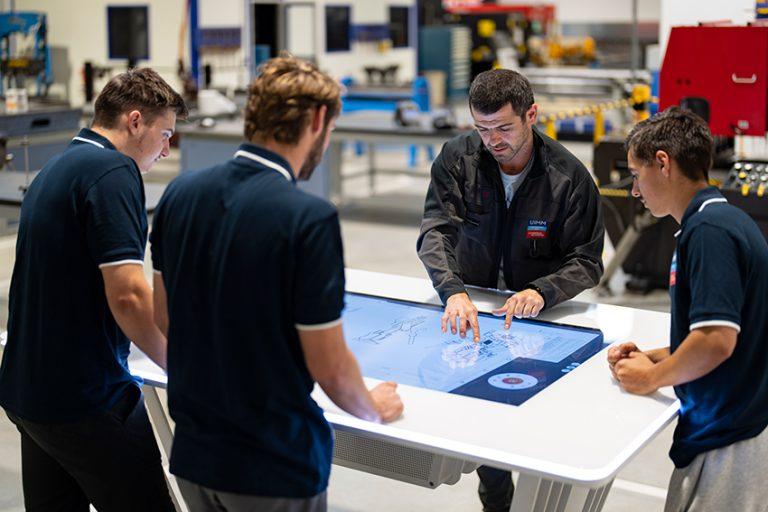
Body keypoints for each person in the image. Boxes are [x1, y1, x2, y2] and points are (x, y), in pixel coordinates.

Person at [150, 56, 404, 512]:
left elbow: (164, 316)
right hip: (272, 466)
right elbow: (328, 364)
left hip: (193, 455)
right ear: (318, 120)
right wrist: (372, 406)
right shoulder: (308, 219)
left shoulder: (181, 194)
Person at [416, 68, 604, 511]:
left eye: (503, 127)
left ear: (531, 115)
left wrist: (543, 290)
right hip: (477, 312)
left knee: (542, 429)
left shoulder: (568, 178)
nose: (492, 140)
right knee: (487, 431)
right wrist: (453, 290)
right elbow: (435, 232)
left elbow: (587, 259)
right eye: (482, 129)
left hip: (538, 320)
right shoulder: (457, 159)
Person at [0, 68, 186, 511]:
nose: (166, 150)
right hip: (86, 400)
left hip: (29, 393)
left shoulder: (57, 168)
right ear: (135, 121)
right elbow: (127, 294)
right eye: (165, 135)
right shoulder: (113, 171)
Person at [609, 107, 768, 512]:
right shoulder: (718, 219)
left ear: (662, 163)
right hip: (731, 425)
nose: (634, 191)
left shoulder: (709, 231)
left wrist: (652, 378)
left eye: (636, 175)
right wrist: (653, 356)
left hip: (730, 437)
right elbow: (729, 330)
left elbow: (717, 341)